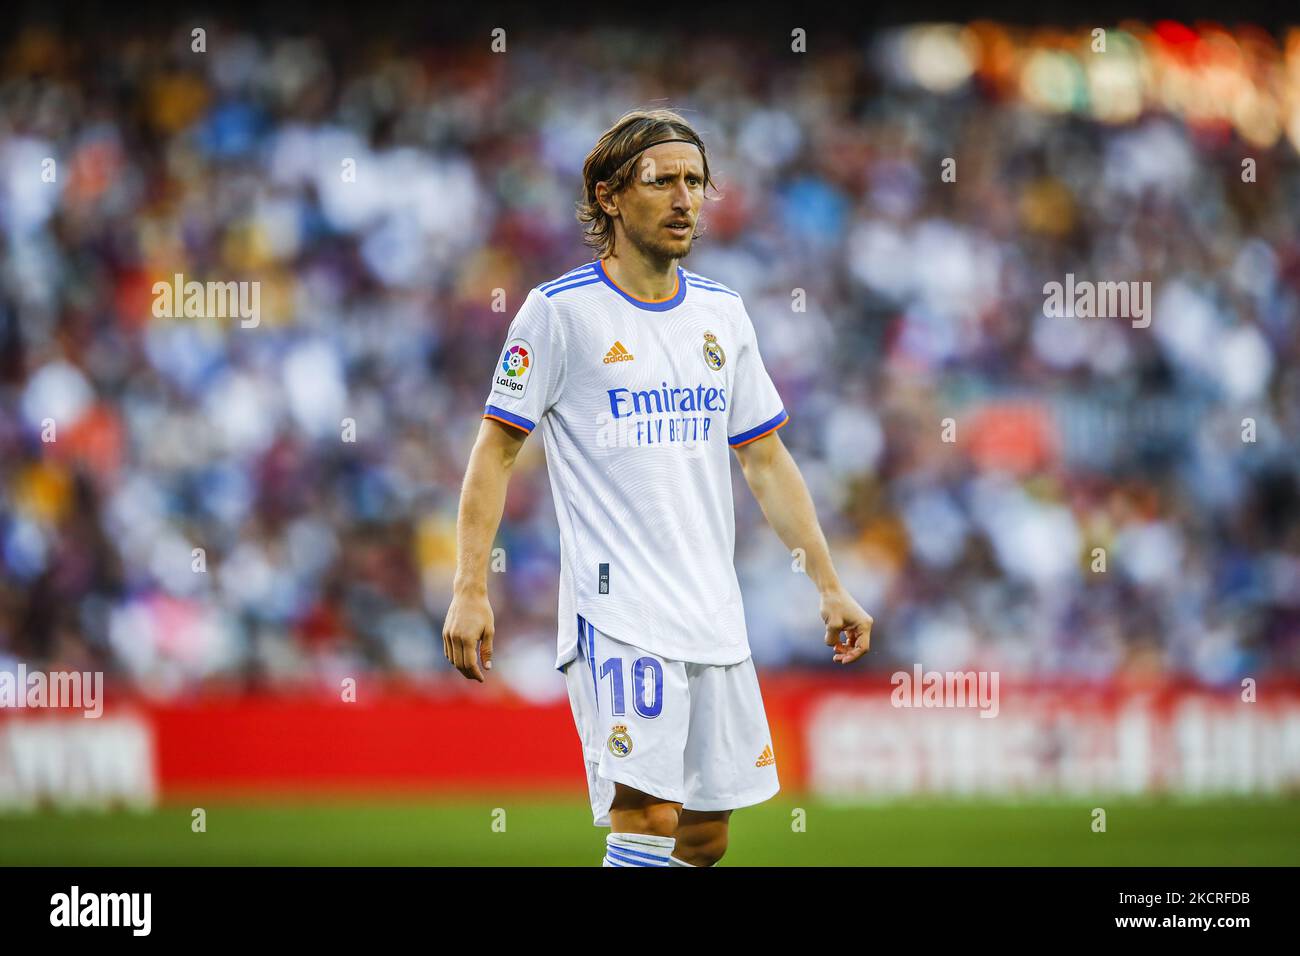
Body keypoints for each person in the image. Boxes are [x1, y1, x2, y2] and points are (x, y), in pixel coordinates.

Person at [443, 107, 873, 867]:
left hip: (712, 608)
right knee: (646, 816)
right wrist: (471, 587)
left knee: (705, 835)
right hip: (618, 609)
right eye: (662, 181)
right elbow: (495, 452)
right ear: (609, 195)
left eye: (696, 181)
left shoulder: (722, 313)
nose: (685, 199)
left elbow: (766, 460)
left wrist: (829, 584)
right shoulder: (558, 313)